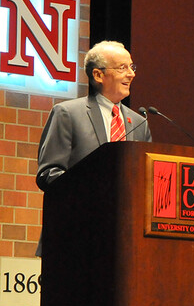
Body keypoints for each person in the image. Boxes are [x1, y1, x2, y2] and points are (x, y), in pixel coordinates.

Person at [35, 41, 152, 256]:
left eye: (131, 67)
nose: (131, 74)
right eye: (122, 68)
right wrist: (92, 190)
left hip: (124, 240)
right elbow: (48, 174)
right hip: (74, 237)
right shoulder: (67, 113)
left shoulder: (139, 123)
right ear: (98, 75)